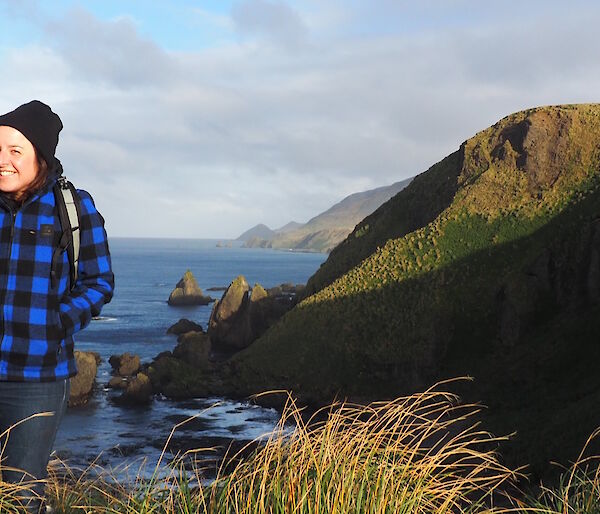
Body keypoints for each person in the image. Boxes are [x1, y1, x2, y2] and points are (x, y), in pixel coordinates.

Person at [0, 100, 114, 512]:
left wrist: (57, 321)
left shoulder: (73, 207)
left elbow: (99, 282)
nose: (3, 161)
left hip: (37, 378)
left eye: (15, 151)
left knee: (20, 498)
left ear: (40, 156)